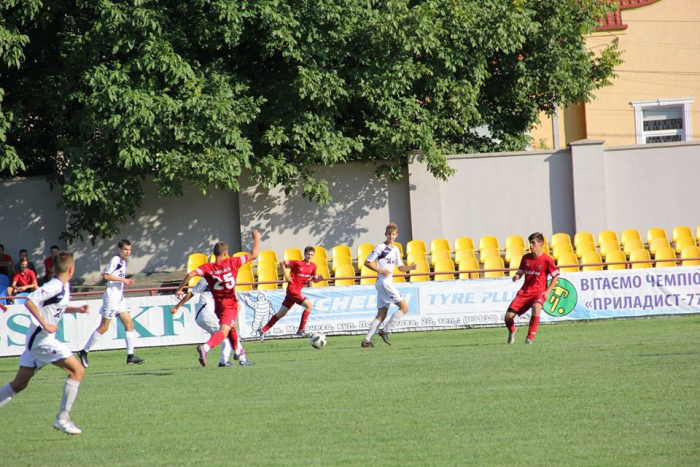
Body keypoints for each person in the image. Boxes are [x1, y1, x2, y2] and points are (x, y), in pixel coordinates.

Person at [0, 251, 90, 435]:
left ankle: (62, 419)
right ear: (71, 268)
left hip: (39, 341)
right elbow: (30, 301)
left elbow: (54, 308)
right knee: (77, 370)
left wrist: (76, 309)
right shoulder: (54, 285)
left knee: (19, 384)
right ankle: (62, 419)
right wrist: (45, 324)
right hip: (42, 341)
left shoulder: (63, 285)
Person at [175, 231, 260, 367]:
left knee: (232, 327)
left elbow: (191, 274)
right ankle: (206, 348)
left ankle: (239, 352)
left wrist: (180, 289)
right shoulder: (233, 262)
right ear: (226, 253)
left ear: (214, 254)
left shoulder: (208, 268)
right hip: (230, 304)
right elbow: (254, 255)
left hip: (218, 306)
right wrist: (256, 239)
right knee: (224, 332)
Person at [77, 239, 145, 366]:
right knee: (104, 327)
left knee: (129, 324)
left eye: (130, 250)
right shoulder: (115, 260)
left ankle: (130, 356)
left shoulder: (123, 262)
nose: (128, 252)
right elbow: (106, 276)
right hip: (111, 298)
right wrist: (123, 280)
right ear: (119, 249)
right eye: (125, 249)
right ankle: (84, 351)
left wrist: (123, 281)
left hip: (119, 298)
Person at [171, 276, 253, 366]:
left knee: (225, 336)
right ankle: (241, 359)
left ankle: (224, 361)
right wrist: (177, 306)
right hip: (206, 314)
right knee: (227, 333)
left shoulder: (206, 279)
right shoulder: (222, 279)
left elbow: (191, 293)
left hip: (202, 315)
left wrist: (177, 306)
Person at [360, 223, 416, 348]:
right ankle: (385, 331)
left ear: (397, 235)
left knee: (381, 314)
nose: (391, 236)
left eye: (393, 234)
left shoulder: (396, 250)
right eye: (389, 234)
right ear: (386, 234)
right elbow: (367, 262)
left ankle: (366, 341)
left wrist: (410, 268)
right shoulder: (380, 247)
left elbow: (401, 267)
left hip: (384, 284)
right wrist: (381, 271)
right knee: (404, 307)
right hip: (384, 283)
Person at [258, 246, 324, 340]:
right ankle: (301, 330)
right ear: (304, 254)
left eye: (311, 255)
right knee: (309, 306)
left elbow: (314, 279)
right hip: (292, 290)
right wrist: (286, 276)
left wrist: (319, 280)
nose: (309, 256)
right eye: (308, 254)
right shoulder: (297, 263)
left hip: (294, 292)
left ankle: (263, 330)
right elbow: (282, 264)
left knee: (281, 313)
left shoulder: (313, 266)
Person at [504, 232, 560, 344]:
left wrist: (548, 291)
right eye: (530, 243)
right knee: (508, 317)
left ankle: (529, 338)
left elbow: (555, 277)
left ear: (541, 244)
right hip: (524, 292)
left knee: (536, 307)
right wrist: (516, 276)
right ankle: (512, 330)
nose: (531, 246)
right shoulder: (526, 258)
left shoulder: (547, 260)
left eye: (533, 243)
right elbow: (520, 272)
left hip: (539, 292)